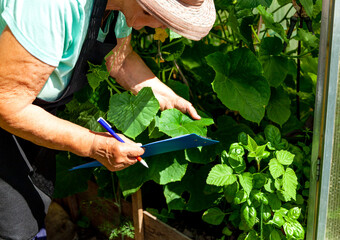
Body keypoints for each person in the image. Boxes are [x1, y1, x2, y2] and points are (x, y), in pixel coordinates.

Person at [0, 0, 216, 239]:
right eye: (153, 13)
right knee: (12, 227)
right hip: (11, 114)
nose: (157, 25)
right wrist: (94, 145)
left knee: (29, 215)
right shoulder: (53, 6)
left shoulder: (119, 8)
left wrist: (165, 94)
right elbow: (7, 104)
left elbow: (120, 59)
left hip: (31, 117)